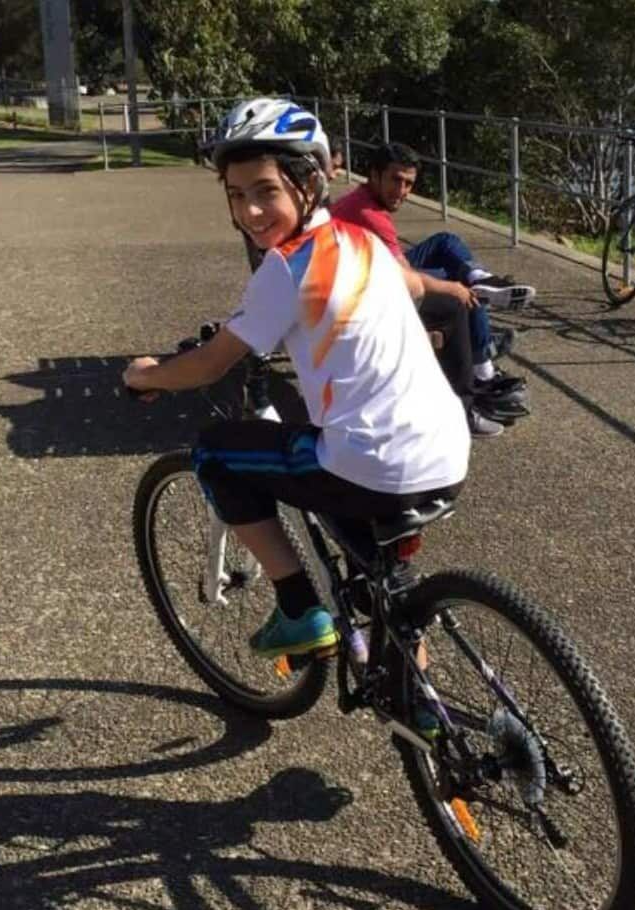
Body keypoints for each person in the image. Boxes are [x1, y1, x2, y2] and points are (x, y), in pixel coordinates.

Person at [124, 98, 468, 660]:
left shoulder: (286, 268)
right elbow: (405, 292)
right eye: (237, 196)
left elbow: (212, 363)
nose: (250, 212)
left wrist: (148, 375)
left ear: (310, 183)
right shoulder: (365, 244)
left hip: (372, 463)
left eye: (266, 191)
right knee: (383, 585)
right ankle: (425, 712)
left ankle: (299, 609)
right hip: (445, 452)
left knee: (215, 453)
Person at [329, 142, 532, 415]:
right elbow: (407, 281)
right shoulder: (369, 215)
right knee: (458, 290)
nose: (401, 191)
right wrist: (452, 287)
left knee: (445, 242)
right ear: (374, 175)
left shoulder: (359, 199)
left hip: (364, 273)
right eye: (395, 180)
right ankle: (482, 371)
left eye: (408, 184)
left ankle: (480, 277)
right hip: (363, 293)